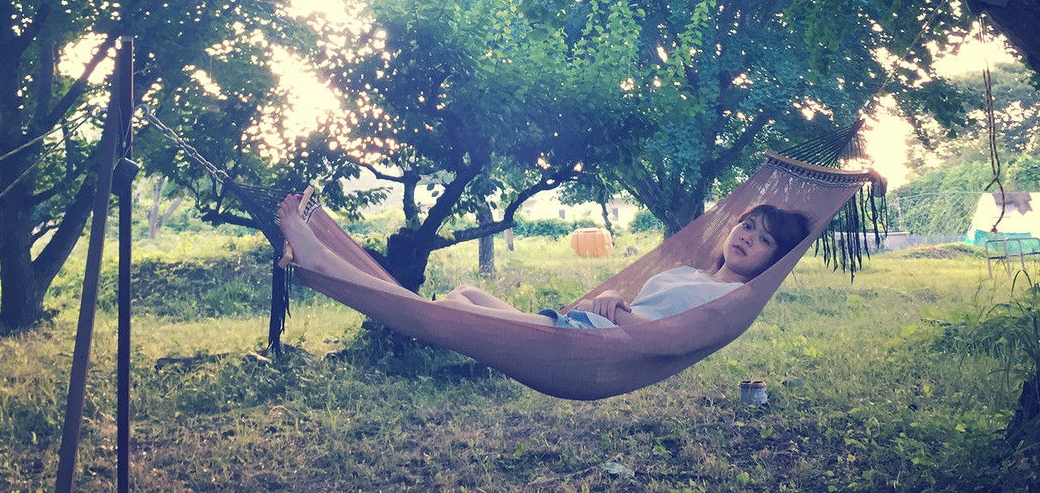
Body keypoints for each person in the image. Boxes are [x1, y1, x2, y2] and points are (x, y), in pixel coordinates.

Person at [277, 196, 809, 329]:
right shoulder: (693, 274)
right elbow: (641, 307)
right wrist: (613, 301)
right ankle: (327, 263)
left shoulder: (731, 299)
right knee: (460, 294)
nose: (748, 238)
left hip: (588, 338)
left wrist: (620, 314)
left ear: (773, 261)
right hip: (579, 324)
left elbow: (665, 336)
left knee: (437, 311)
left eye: (764, 240)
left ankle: (321, 260)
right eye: (747, 225)